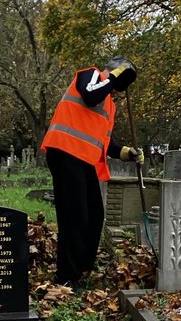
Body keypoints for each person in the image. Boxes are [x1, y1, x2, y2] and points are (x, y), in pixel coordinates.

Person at [41, 57, 142, 288]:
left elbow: (104, 142)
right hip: (65, 152)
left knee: (95, 215)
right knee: (75, 217)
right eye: (121, 79)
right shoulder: (91, 75)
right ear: (113, 70)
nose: (119, 89)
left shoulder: (109, 103)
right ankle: (67, 277)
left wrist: (127, 153)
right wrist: (115, 75)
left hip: (82, 160)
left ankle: (82, 269)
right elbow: (90, 94)